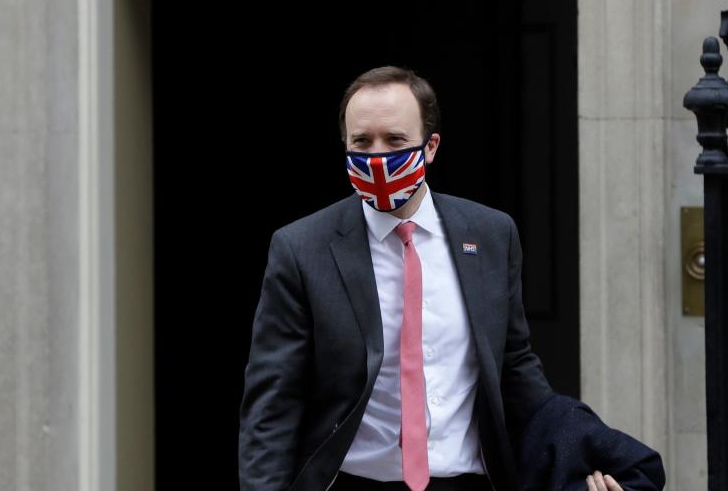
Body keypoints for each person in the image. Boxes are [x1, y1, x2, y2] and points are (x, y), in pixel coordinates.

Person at [238, 66, 633, 490]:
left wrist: (584, 461)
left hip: (467, 480)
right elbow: (274, 404)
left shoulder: (491, 235)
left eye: (394, 140)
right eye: (361, 141)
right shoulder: (302, 249)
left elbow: (514, 369)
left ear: (430, 147)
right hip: (354, 480)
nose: (376, 156)